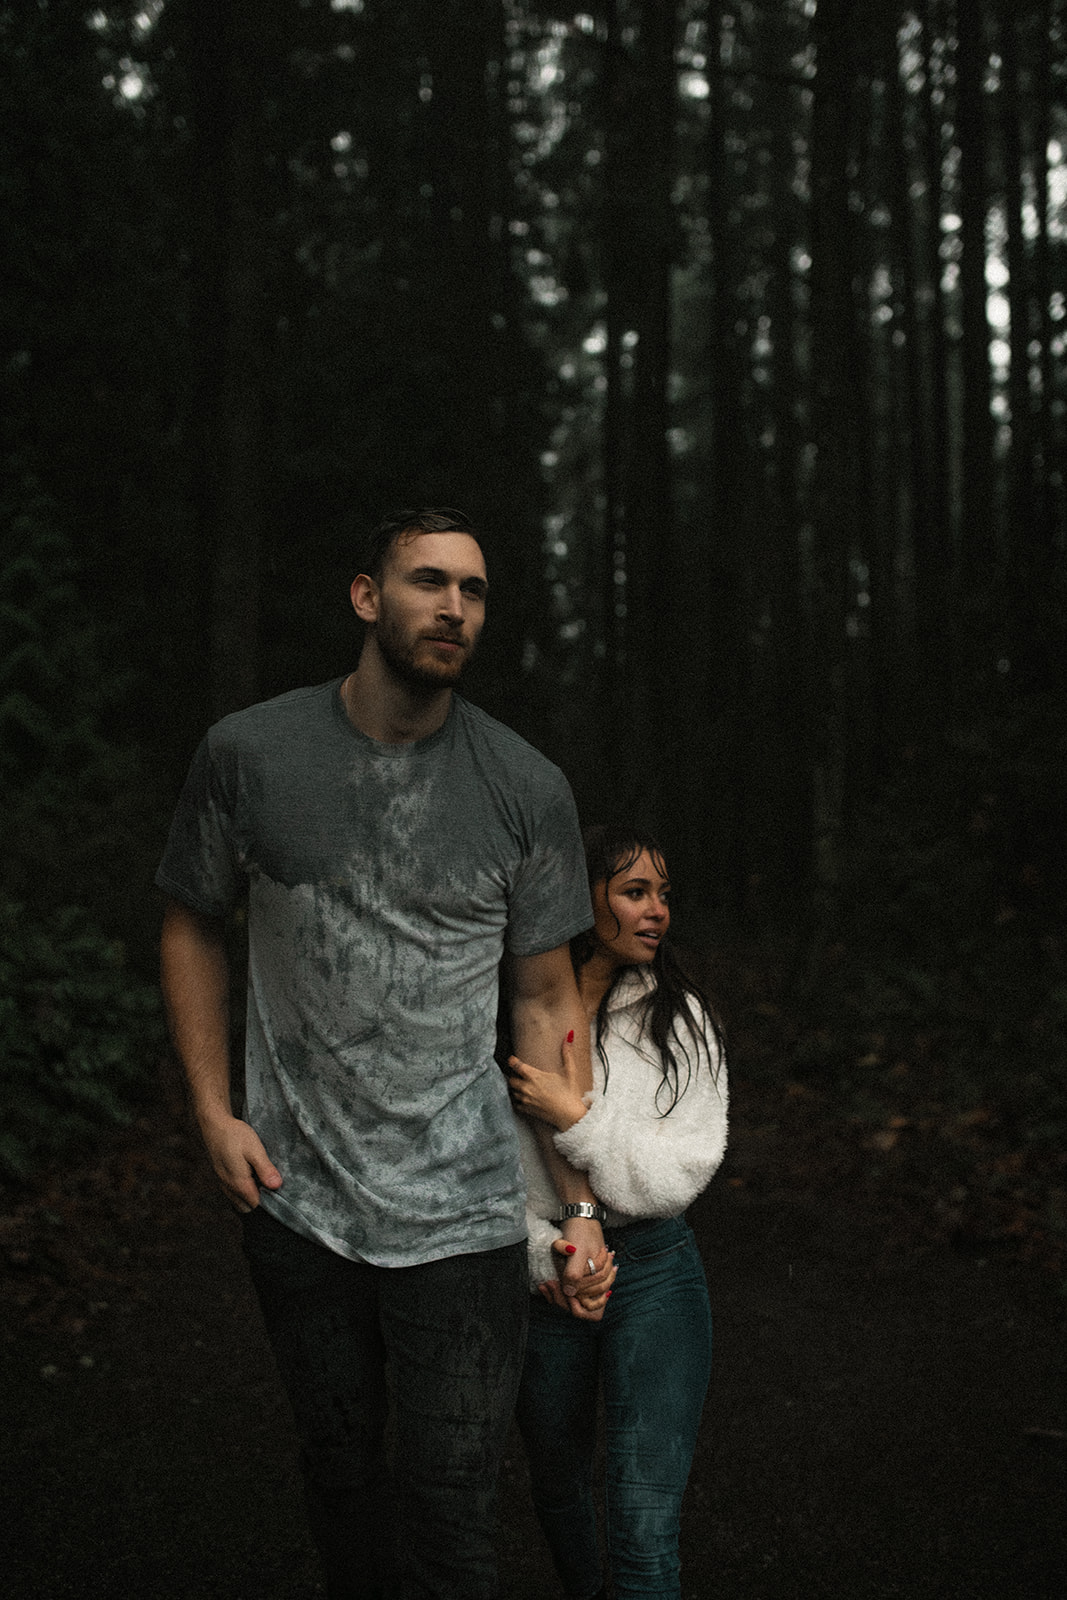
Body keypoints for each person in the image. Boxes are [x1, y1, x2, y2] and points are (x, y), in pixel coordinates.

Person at [156, 507, 614, 1600]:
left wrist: (577, 1201)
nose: (453, 607)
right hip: (295, 1195)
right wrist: (214, 1112)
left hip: (463, 1208)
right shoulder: (249, 754)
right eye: (427, 581)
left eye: (473, 589)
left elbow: (547, 996)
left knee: (453, 1502)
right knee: (341, 1473)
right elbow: (188, 919)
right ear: (367, 597)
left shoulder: (524, 785)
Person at [507, 823, 728, 1600]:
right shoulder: (513, 1015)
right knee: (561, 1498)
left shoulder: (682, 1019)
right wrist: (547, 1255)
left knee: (641, 1527)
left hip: (657, 1273)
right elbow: (480, 1168)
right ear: (582, 898)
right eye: (635, 892)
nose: (656, 910)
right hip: (546, 1283)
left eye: (663, 894)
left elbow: (681, 1172)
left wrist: (577, 1118)